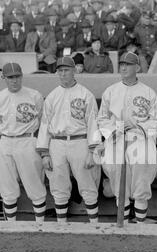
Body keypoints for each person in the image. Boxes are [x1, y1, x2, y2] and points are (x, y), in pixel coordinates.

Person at [97, 52, 157, 223]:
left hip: (141, 139)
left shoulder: (148, 92)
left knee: (141, 182)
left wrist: (138, 126)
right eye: (122, 64)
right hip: (116, 139)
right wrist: (113, 131)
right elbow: (102, 117)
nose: (124, 67)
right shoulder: (111, 91)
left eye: (128, 64)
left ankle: (140, 225)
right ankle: (123, 224)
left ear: (137, 68)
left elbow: (156, 120)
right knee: (118, 183)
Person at [36, 56, 102, 223]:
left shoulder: (85, 94)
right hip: (57, 142)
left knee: (87, 184)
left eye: (66, 70)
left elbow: (94, 123)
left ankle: (94, 226)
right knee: (58, 185)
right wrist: (44, 153)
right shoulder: (52, 96)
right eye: (60, 70)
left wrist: (92, 151)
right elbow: (44, 125)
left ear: (74, 71)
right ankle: (61, 225)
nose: (63, 73)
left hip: (80, 141)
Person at [0, 62, 47, 222]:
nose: (14, 80)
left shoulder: (34, 95)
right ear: (4, 78)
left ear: (22, 76)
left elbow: (43, 122)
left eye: (17, 76)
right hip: (6, 141)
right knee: (7, 188)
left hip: (28, 140)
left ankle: (40, 226)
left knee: (35, 185)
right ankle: (11, 227)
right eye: (10, 77)